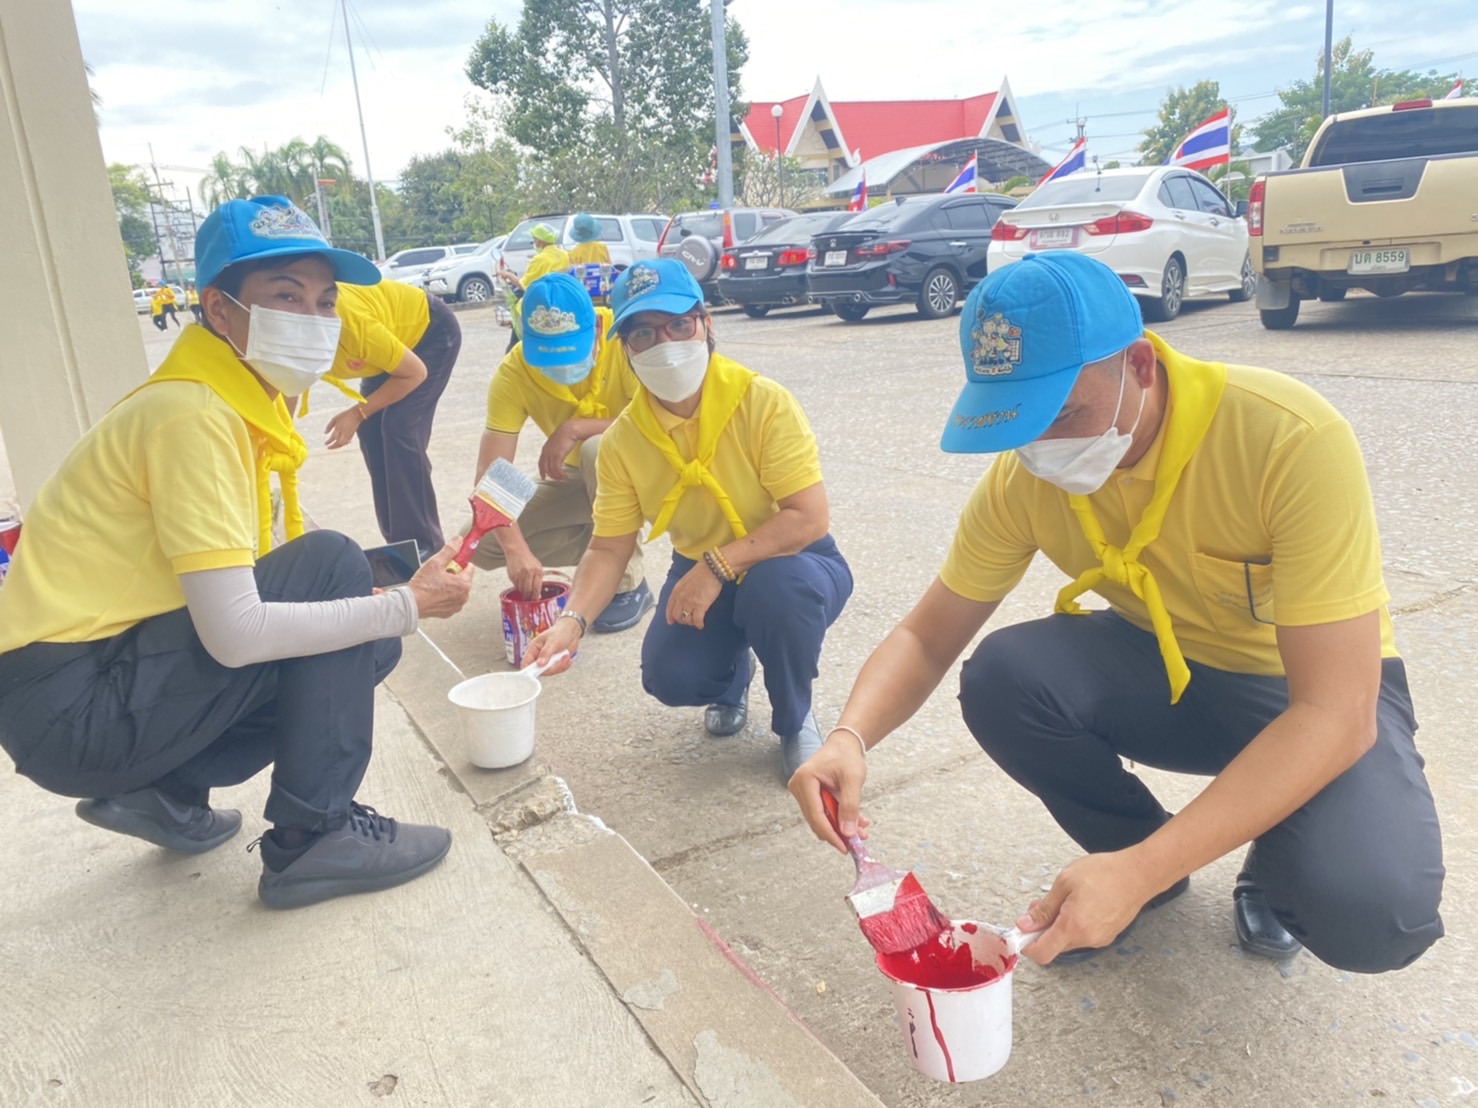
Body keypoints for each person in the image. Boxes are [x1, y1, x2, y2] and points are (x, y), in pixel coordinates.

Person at [788, 252, 1444, 972]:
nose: (1041, 447)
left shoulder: (1286, 439)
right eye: (1017, 422)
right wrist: (849, 737)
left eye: (1062, 413)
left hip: (1303, 690)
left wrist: (1142, 870)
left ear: (1139, 365)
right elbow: (925, 635)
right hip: (1167, 669)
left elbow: (1334, 713)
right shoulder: (1028, 478)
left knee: (1371, 908)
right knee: (1003, 678)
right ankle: (1133, 849)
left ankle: (1255, 862)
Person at [0, 195, 473, 910]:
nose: (313, 322)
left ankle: (164, 790)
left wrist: (379, 614)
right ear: (220, 312)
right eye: (284, 297)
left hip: (78, 689)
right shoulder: (193, 417)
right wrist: (406, 605)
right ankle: (313, 839)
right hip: (73, 703)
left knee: (362, 646)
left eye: (323, 302)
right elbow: (236, 632)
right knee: (330, 565)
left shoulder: (218, 403)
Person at [522, 259, 853, 782]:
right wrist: (572, 621)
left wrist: (717, 567)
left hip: (795, 560)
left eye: (679, 324)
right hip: (700, 563)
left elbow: (808, 520)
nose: (665, 344)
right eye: (644, 333)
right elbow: (609, 548)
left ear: (707, 324)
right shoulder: (625, 442)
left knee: (778, 593)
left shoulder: (762, 402)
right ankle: (732, 679)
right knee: (670, 676)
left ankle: (795, 716)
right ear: (625, 349)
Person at [473, 272, 652, 631]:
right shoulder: (514, 371)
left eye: (571, 351)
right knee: (480, 542)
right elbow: (492, 473)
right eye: (548, 358)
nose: (562, 368)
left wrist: (575, 427)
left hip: (643, 472)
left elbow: (655, 424)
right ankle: (604, 553)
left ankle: (627, 583)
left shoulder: (627, 340)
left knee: (597, 448)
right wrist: (516, 550)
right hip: (577, 478)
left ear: (597, 331)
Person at [313, 272, 464, 558]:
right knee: (371, 432)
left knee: (400, 429)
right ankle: (400, 544)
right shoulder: (285, 338)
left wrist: (357, 412)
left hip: (428, 334)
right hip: (387, 350)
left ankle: (425, 546)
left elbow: (414, 373)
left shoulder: (350, 325)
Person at [498, 223, 571, 353]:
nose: (534, 242)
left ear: (539, 241)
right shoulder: (564, 255)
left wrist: (507, 275)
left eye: (534, 239)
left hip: (538, 305)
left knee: (515, 343)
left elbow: (524, 284)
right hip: (560, 302)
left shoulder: (539, 259)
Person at [567, 213, 613, 304]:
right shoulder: (603, 248)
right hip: (603, 294)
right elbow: (610, 269)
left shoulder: (573, 253)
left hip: (584, 296)